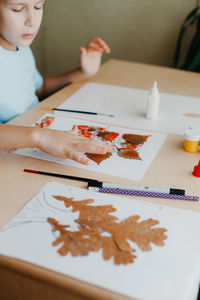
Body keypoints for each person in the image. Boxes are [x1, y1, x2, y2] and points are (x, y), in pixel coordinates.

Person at [0, 0, 111, 165]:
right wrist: (41, 137)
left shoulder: (21, 48)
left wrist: (83, 72)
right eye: (18, 9)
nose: (32, 21)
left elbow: (38, 89)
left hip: (32, 133)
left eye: (38, 6)